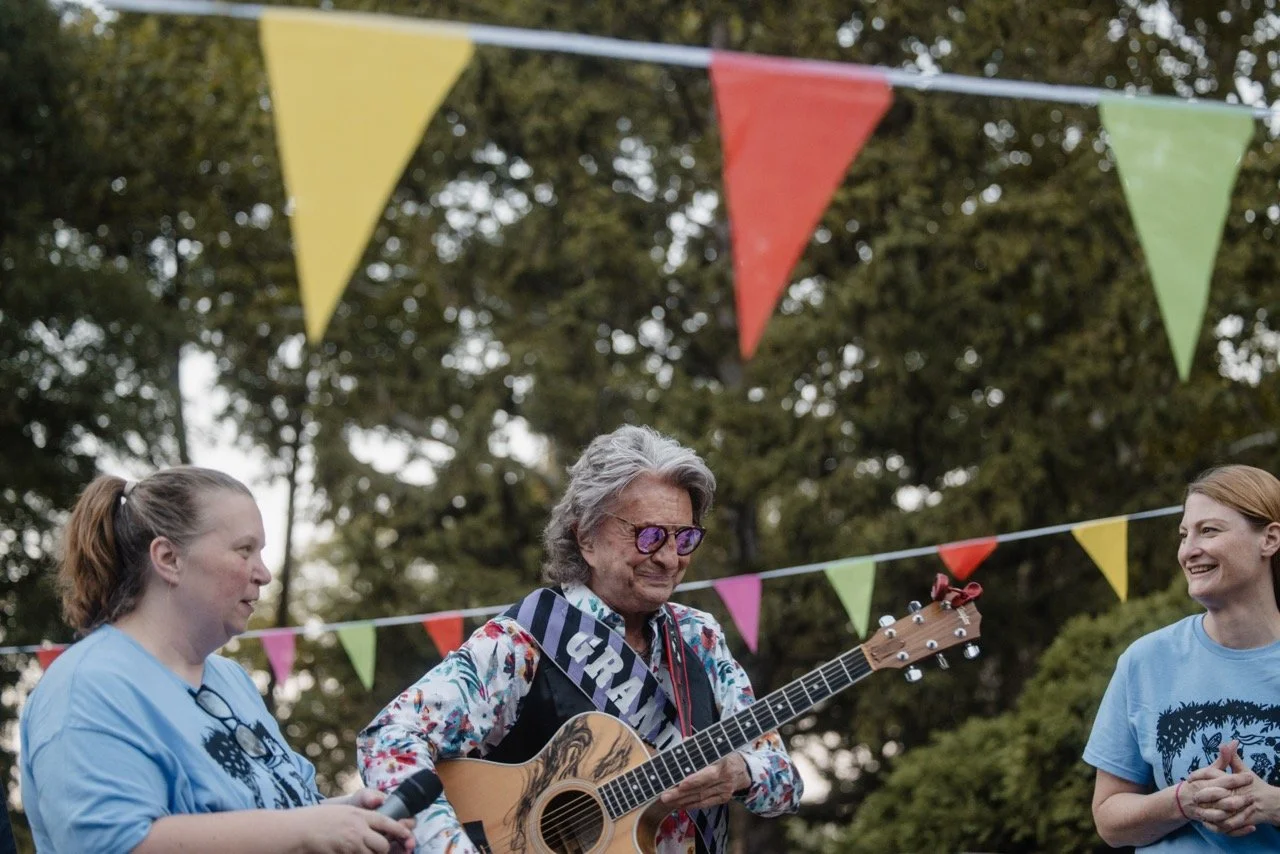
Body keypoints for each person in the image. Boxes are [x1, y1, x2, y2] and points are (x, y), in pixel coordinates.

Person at [358, 425, 802, 853]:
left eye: (684, 538)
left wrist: (741, 772)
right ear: (586, 536)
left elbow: (784, 782)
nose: (669, 558)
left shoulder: (699, 638)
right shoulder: (524, 641)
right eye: (648, 536)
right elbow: (390, 738)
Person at [19, 467, 416, 854]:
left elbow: (284, 815)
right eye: (245, 550)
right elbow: (117, 844)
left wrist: (352, 818)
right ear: (169, 558)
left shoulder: (231, 680)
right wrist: (307, 829)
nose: (263, 574)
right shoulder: (87, 688)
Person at [1085, 464, 1280, 851]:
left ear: (1269, 539)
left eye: (1209, 530)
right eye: (1184, 534)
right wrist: (1181, 802)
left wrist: (1272, 804)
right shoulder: (1144, 660)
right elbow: (1109, 818)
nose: (1189, 550)